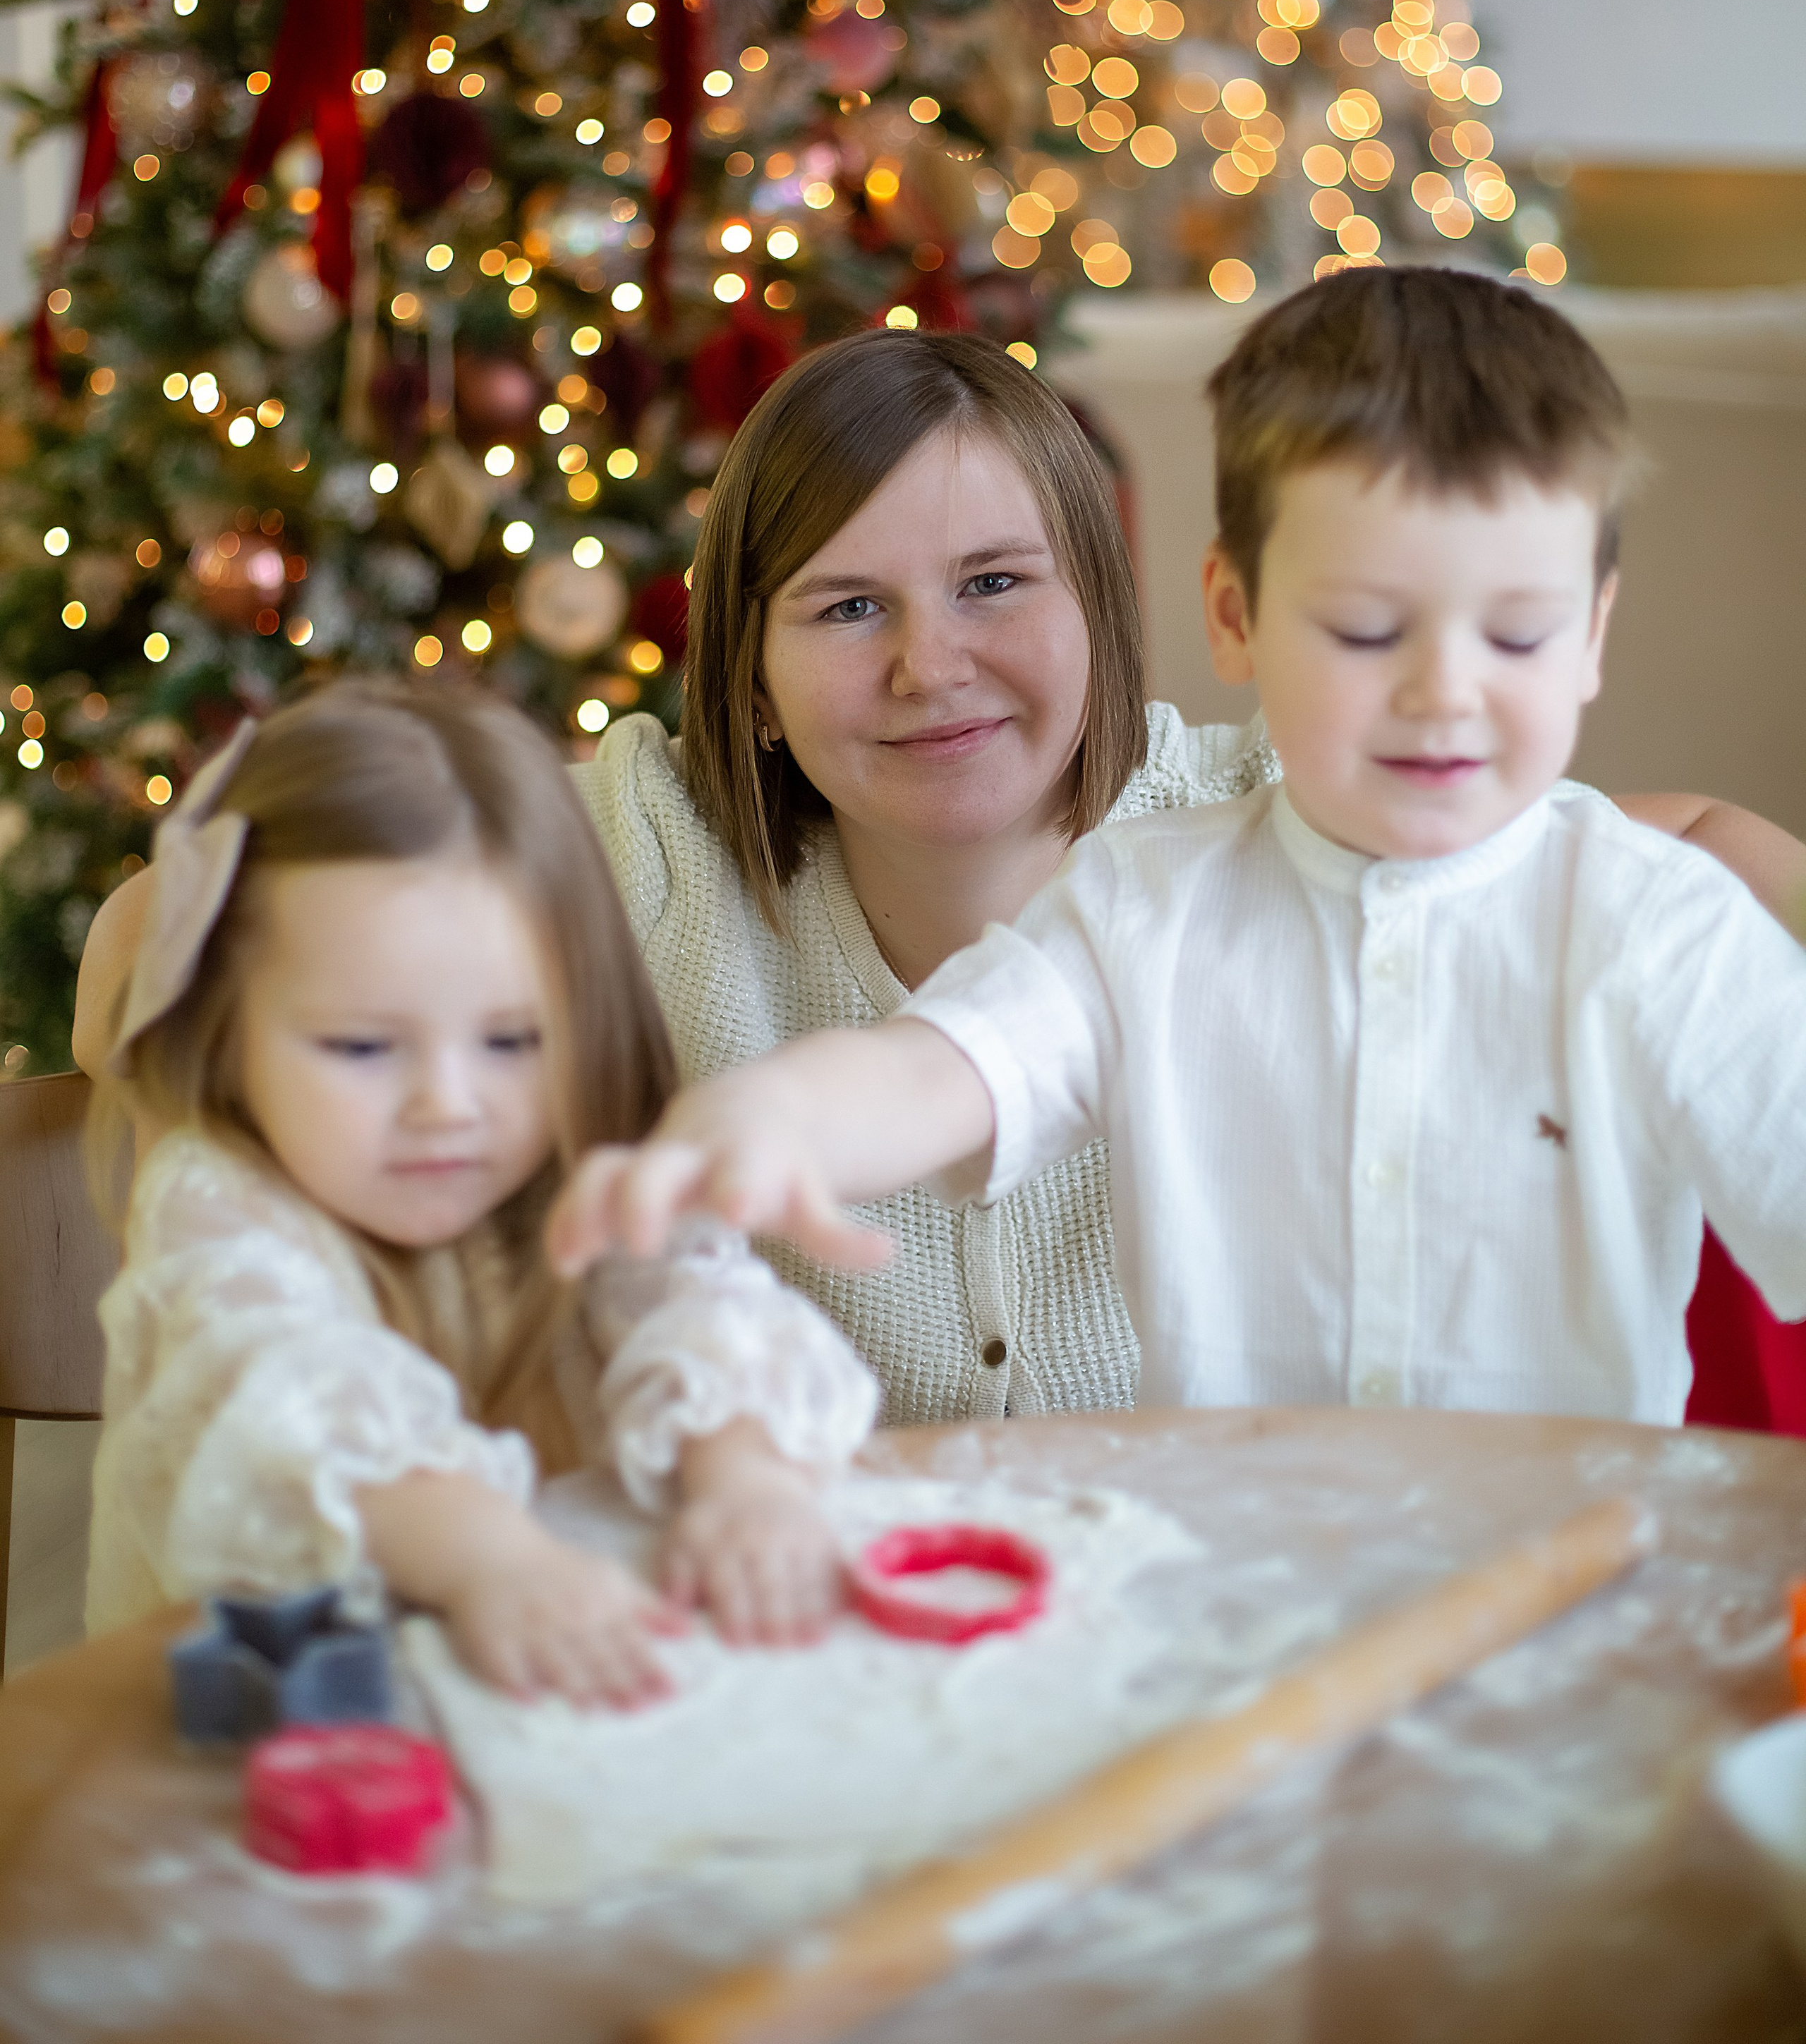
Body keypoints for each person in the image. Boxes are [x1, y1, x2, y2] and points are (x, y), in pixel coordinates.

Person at [74, 332, 1805, 1425]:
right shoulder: (650, 842)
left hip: (1226, 1568)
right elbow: (180, 928)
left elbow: (1666, 862)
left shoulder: (1278, 816)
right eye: (846, 608)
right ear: (744, 670)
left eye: (994, 584)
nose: (932, 666)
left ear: (1115, 617)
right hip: (836, 1604)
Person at [547, 269, 1806, 1428]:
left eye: (1516, 637)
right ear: (1235, 620)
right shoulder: (1143, 908)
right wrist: (773, 1113)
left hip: (1574, 1595)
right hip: (1234, 1582)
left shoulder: (1647, 925)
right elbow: (943, 1077)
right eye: (1368, 632)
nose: (1444, 694)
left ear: (1592, 635)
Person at [85, 679, 877, 1703]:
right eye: (364, 1045)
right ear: (229, 1033)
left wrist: (746, 1481)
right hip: (251, 1743)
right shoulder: (216, 1202)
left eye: (512, 1039)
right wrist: (492, 1562)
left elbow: (703, 1306)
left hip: (534, 1686)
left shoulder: (574, 1151)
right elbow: (290, 1400)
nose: (448, 1106)